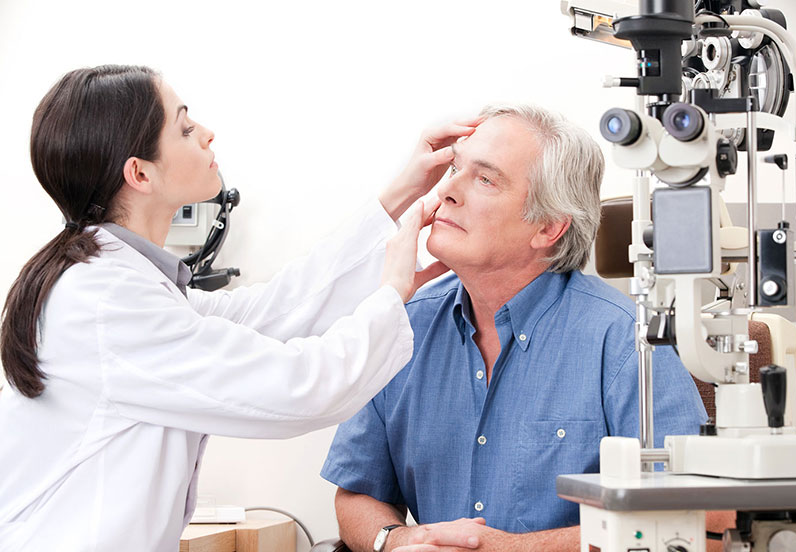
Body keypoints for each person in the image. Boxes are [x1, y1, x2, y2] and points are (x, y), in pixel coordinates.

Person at [0, 65, 476, 551]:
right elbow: (300, 387)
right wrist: (391, 291)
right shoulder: (105, 303)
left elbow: (273, 311)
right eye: (184, 128)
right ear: (139, 173)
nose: (207, 134)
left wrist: (403, 193)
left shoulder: (123, 286)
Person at [321, 104, 709, 552]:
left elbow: (695, 520)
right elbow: (357, 490)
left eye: (485, 179)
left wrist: (508, 549)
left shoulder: (625, 340)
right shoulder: (403, 323)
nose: (447, 191)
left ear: (548, 227)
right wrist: (398, 540)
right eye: (454, 168)